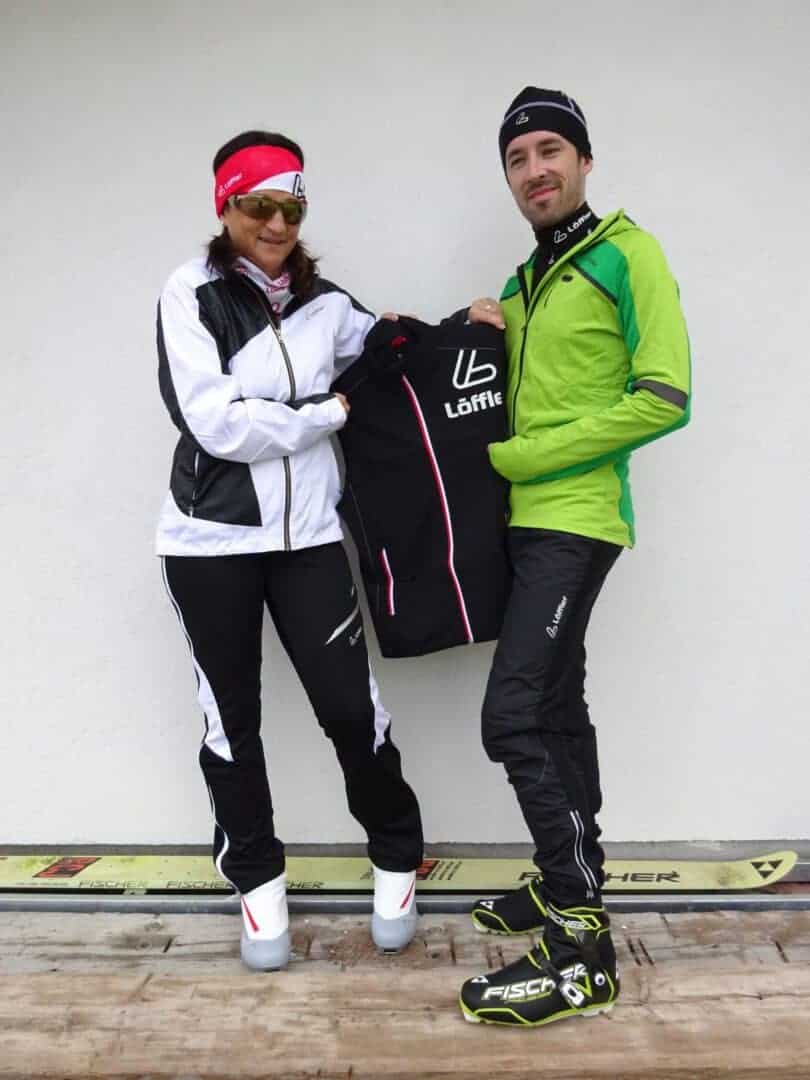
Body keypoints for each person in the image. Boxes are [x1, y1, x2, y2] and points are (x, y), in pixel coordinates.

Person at [155, 130, 423, 971]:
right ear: (226, 206)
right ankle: (258, 885)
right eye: (258, 205)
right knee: (230, 721)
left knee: (350, 710)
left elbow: (391, 346)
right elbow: (218, 424)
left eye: (292, 208)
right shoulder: (189, 294)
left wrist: (475, 326)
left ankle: (396, 860)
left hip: (308, 539)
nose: (276, 223)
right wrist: (325, 415)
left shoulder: (324, 304)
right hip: (207, 542)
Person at [458, 88, 691, 1026]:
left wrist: (527, 457)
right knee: (554, 703)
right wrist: (477, 323)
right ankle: (572, 874)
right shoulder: (524, 284)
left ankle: (582, 946)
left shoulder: (629, 254)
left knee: (510, 718)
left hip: (580, 518)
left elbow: (665, 395)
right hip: (522, 526)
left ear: (585, 160)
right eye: (517, 159)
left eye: (551, 150)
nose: (535, 170)